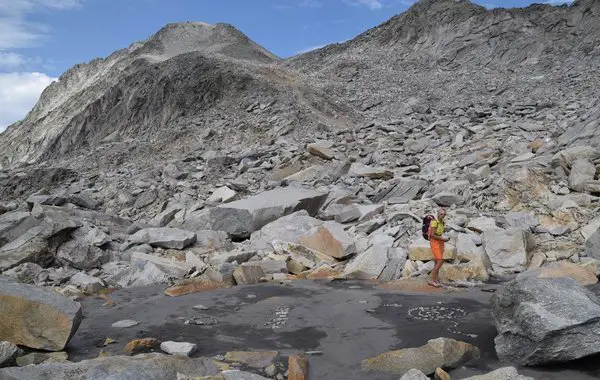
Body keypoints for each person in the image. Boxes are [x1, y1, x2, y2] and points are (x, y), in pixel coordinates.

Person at [428, 208, 450, 288]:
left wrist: (444, 238)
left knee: (437, 261)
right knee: (440, 261)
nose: (443, 216)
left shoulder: (442, 222)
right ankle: (431, 280)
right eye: (441, 214)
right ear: (438, 214)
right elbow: (432, 235)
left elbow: (440, 233)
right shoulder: (434, 222)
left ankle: (435, 279)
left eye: (444, 214)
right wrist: (443, 239)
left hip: (440, 243)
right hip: (435, 242)